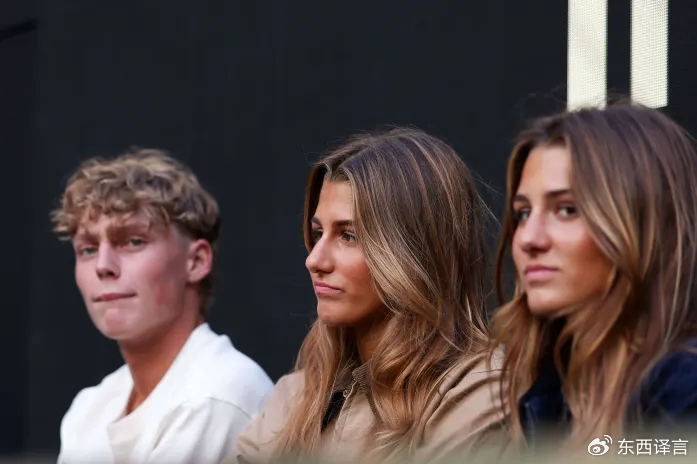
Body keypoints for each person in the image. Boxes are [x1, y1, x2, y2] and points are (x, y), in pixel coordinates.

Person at [224, 127, 505, 464]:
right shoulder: (298, 393)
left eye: (349, 236)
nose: (314, 260)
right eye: (318, 233)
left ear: (415, 252)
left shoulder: (477, 391)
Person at [491, 102, 697, 454]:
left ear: (642, 225)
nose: (528, 239)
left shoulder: (685, 390)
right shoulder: (548, 394)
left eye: (567, 209)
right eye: (522, 214)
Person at [52, 148, 273, 464]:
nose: (103, 266)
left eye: (133, 241)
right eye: (87, 249)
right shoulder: (90, 408)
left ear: (196, 261)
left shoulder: (217, 395)